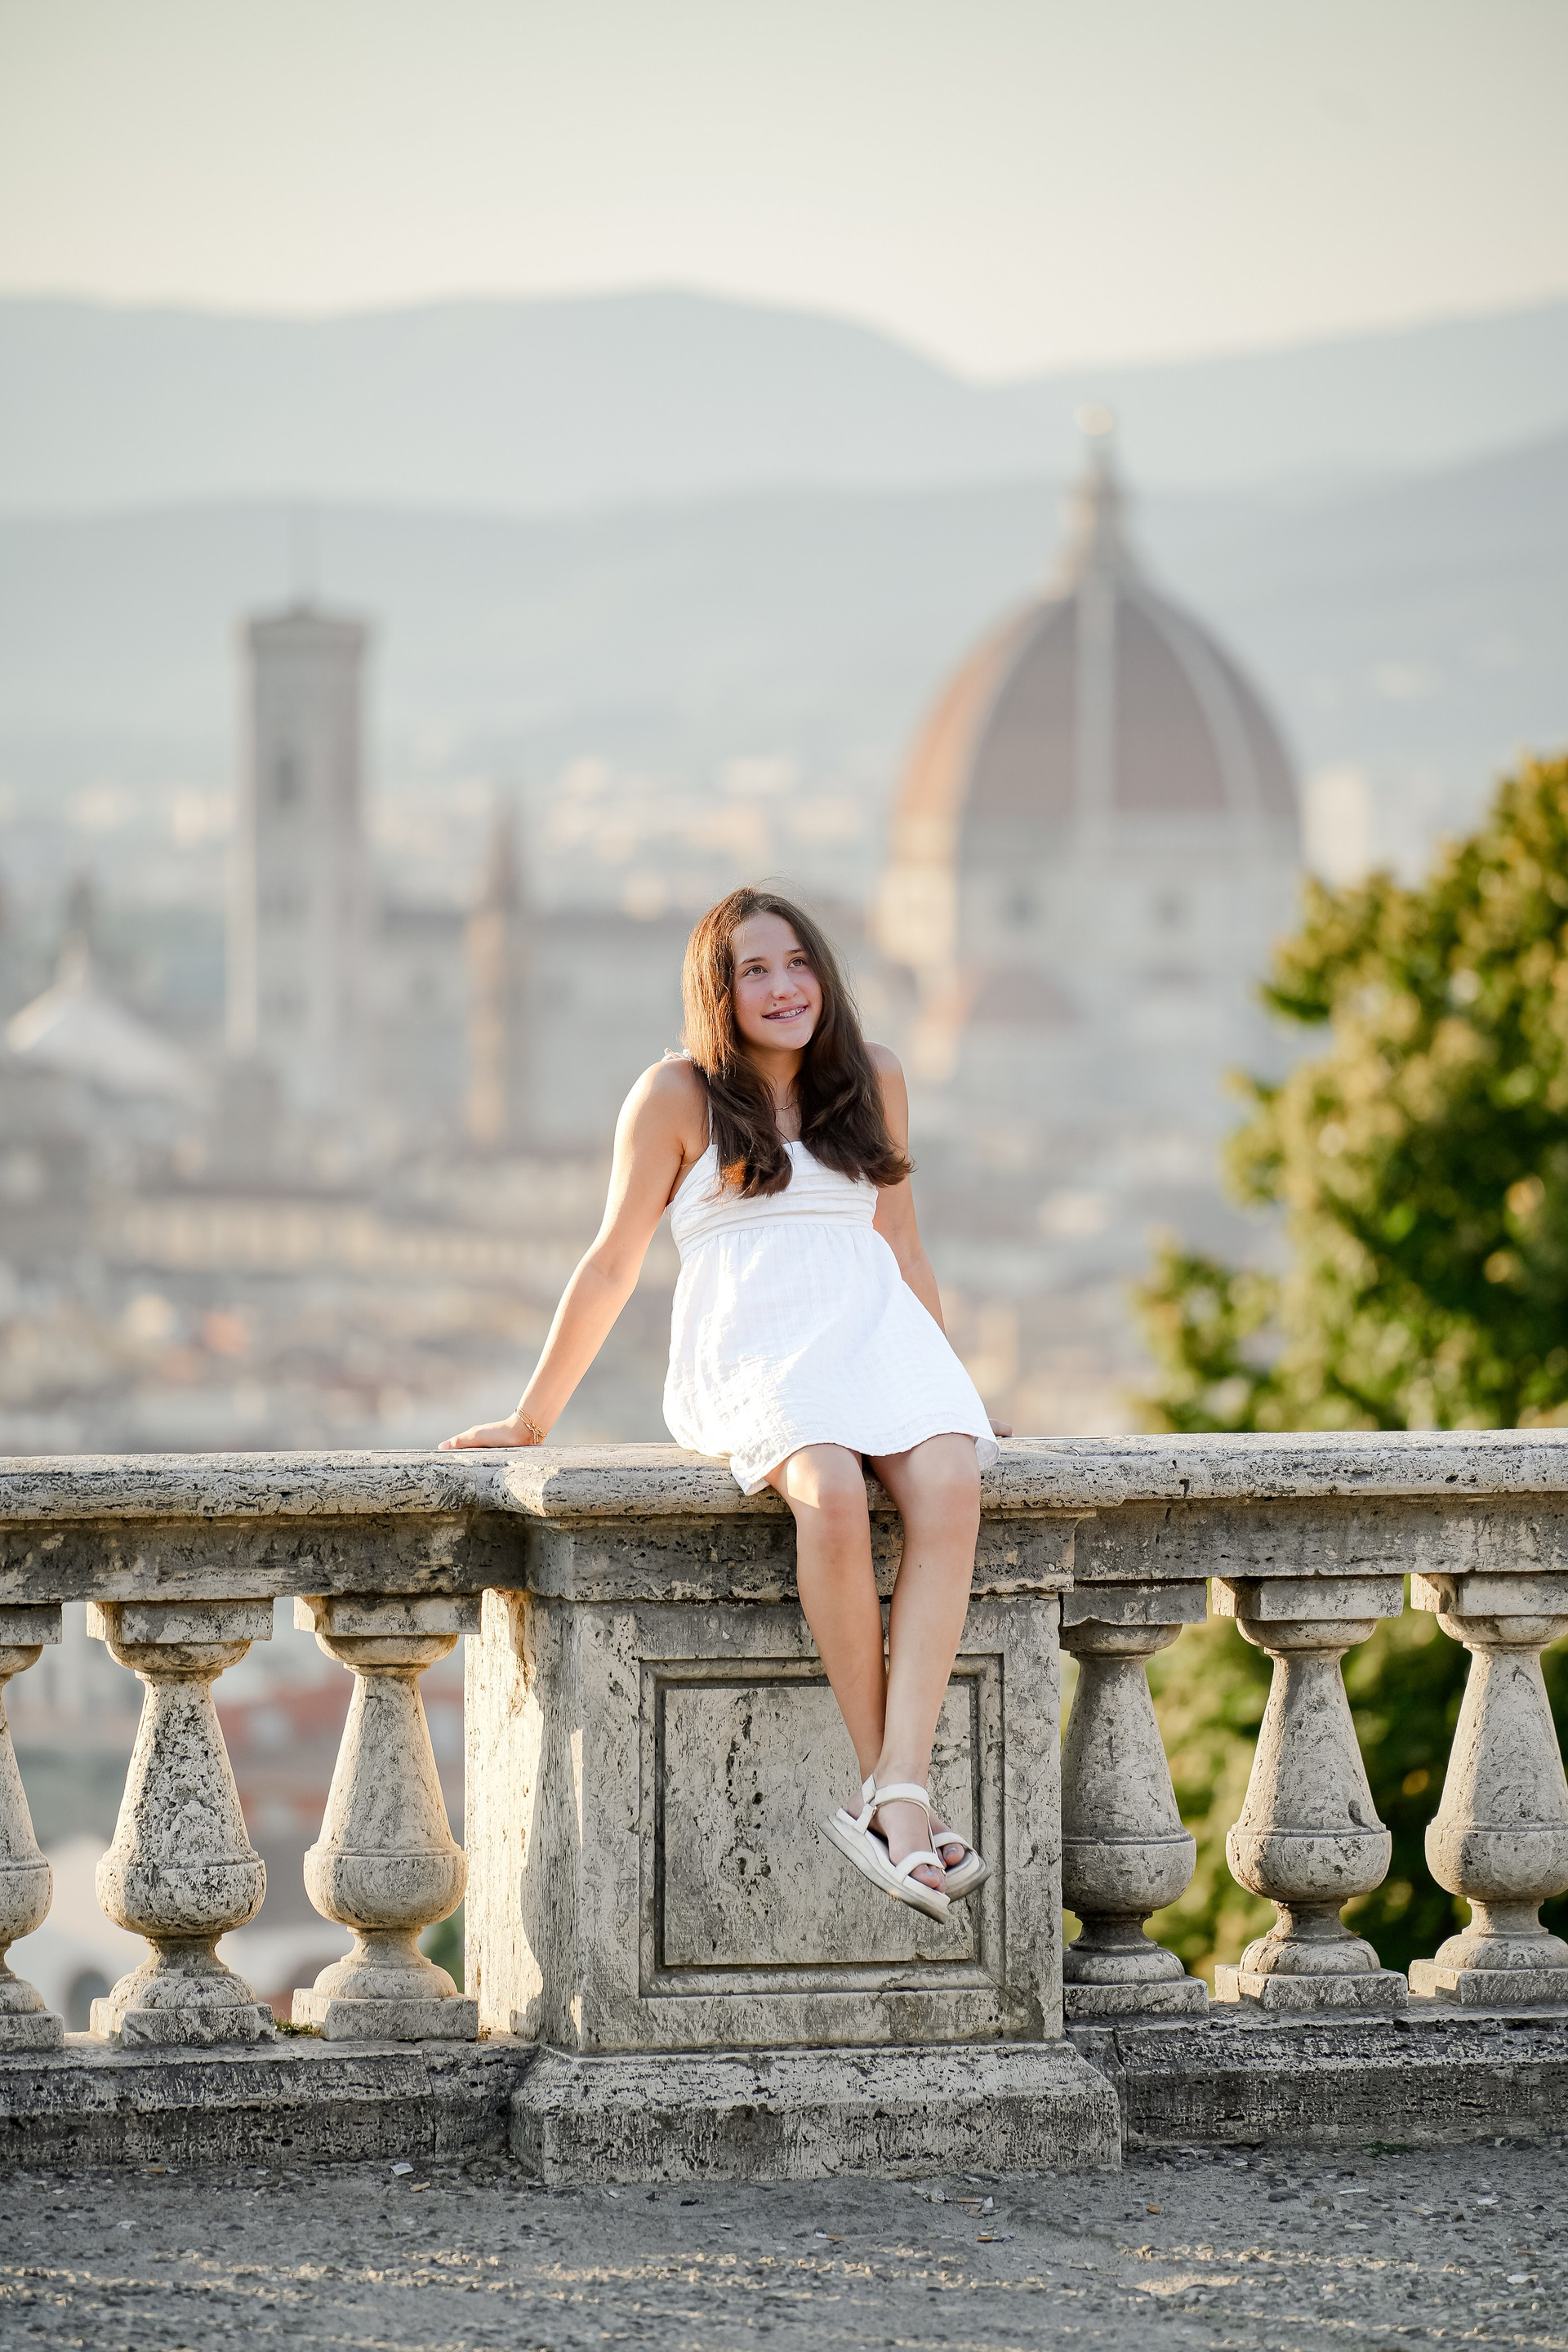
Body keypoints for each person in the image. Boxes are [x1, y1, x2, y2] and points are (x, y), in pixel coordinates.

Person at [442, 886, 1008, 1919]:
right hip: (755, 1347)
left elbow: (903, 1245)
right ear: (719, 990)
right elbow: (611, 1262)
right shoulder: (675, 1094)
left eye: (798, 963)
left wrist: (951, 1387)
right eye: (755, 970)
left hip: (878, 1337)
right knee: (830, 1492)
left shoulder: (875, 1077)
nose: (785, 987)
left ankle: (900, 1788)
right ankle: (893, 1798)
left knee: (952, 1481)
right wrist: (531, 1420)